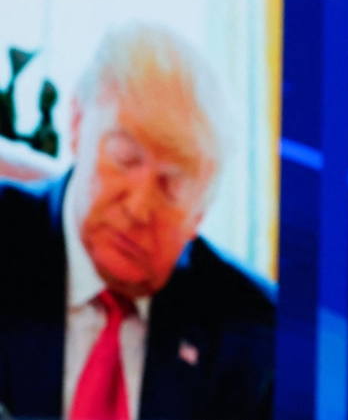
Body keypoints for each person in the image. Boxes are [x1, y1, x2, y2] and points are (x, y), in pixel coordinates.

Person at [0, 24, 274, 419]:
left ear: (202, 209)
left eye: (172, 185)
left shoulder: (254, 335)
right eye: (124, 158)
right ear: (77, 125)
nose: (138, 209)